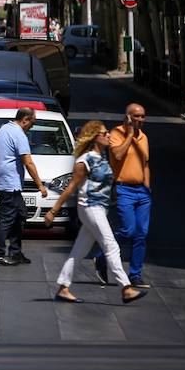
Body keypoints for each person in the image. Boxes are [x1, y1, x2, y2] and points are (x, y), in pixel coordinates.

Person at [45, 121, 147, 304]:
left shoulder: (102, 157)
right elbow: (71, 187)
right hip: (90, 207)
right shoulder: (85, 161)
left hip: (100, 208)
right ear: (95, 137)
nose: (108, 135)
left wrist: (113, 196)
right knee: (111, 245)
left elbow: (105, 183)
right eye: (104, 133)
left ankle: (63, 288)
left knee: (79, 250)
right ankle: (126, 288)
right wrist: (53, 210)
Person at [93, 103, 152, 288]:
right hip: (123, 188)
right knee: (128, 230)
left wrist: (147, 187)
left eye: (143, 116)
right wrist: (130, 134)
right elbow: (117, 155)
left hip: (142, 191)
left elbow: (145, 163)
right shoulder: (116, 134)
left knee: (141, 234)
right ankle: (102, 257)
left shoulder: (144, 137)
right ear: (128, 117)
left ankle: (135, 275)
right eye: (136, 116)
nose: (140, 120)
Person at [0, 107, 48, 266]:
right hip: (10, 183)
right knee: (7, 218)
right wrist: (40, 185)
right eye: (32, 123)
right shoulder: (18, 134)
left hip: (2, 181)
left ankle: (16, 251)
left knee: (20, 214)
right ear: (25, 120)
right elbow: (28, 162)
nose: (32, 126)